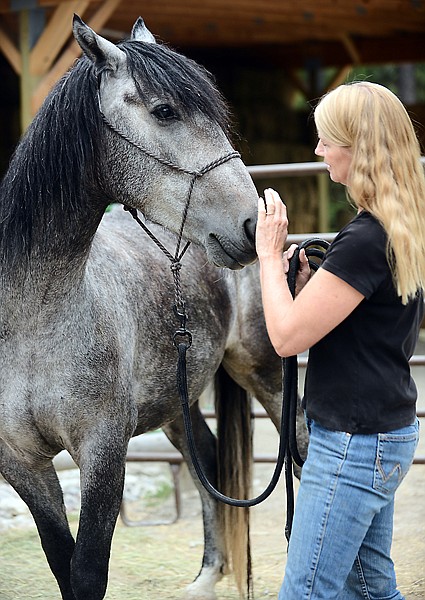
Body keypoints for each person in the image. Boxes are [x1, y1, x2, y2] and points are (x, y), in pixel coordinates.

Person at [255, 81, 425, 600]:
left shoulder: (363, 239)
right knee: (372, 590)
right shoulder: (399, 227)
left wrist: (268, 256)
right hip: (384, 430)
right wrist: (308, 290)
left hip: (352, 441)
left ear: (360, 148)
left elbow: (285, 336)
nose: (318, 150)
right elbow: (367, 320)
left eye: (328, 140)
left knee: (305, 593)